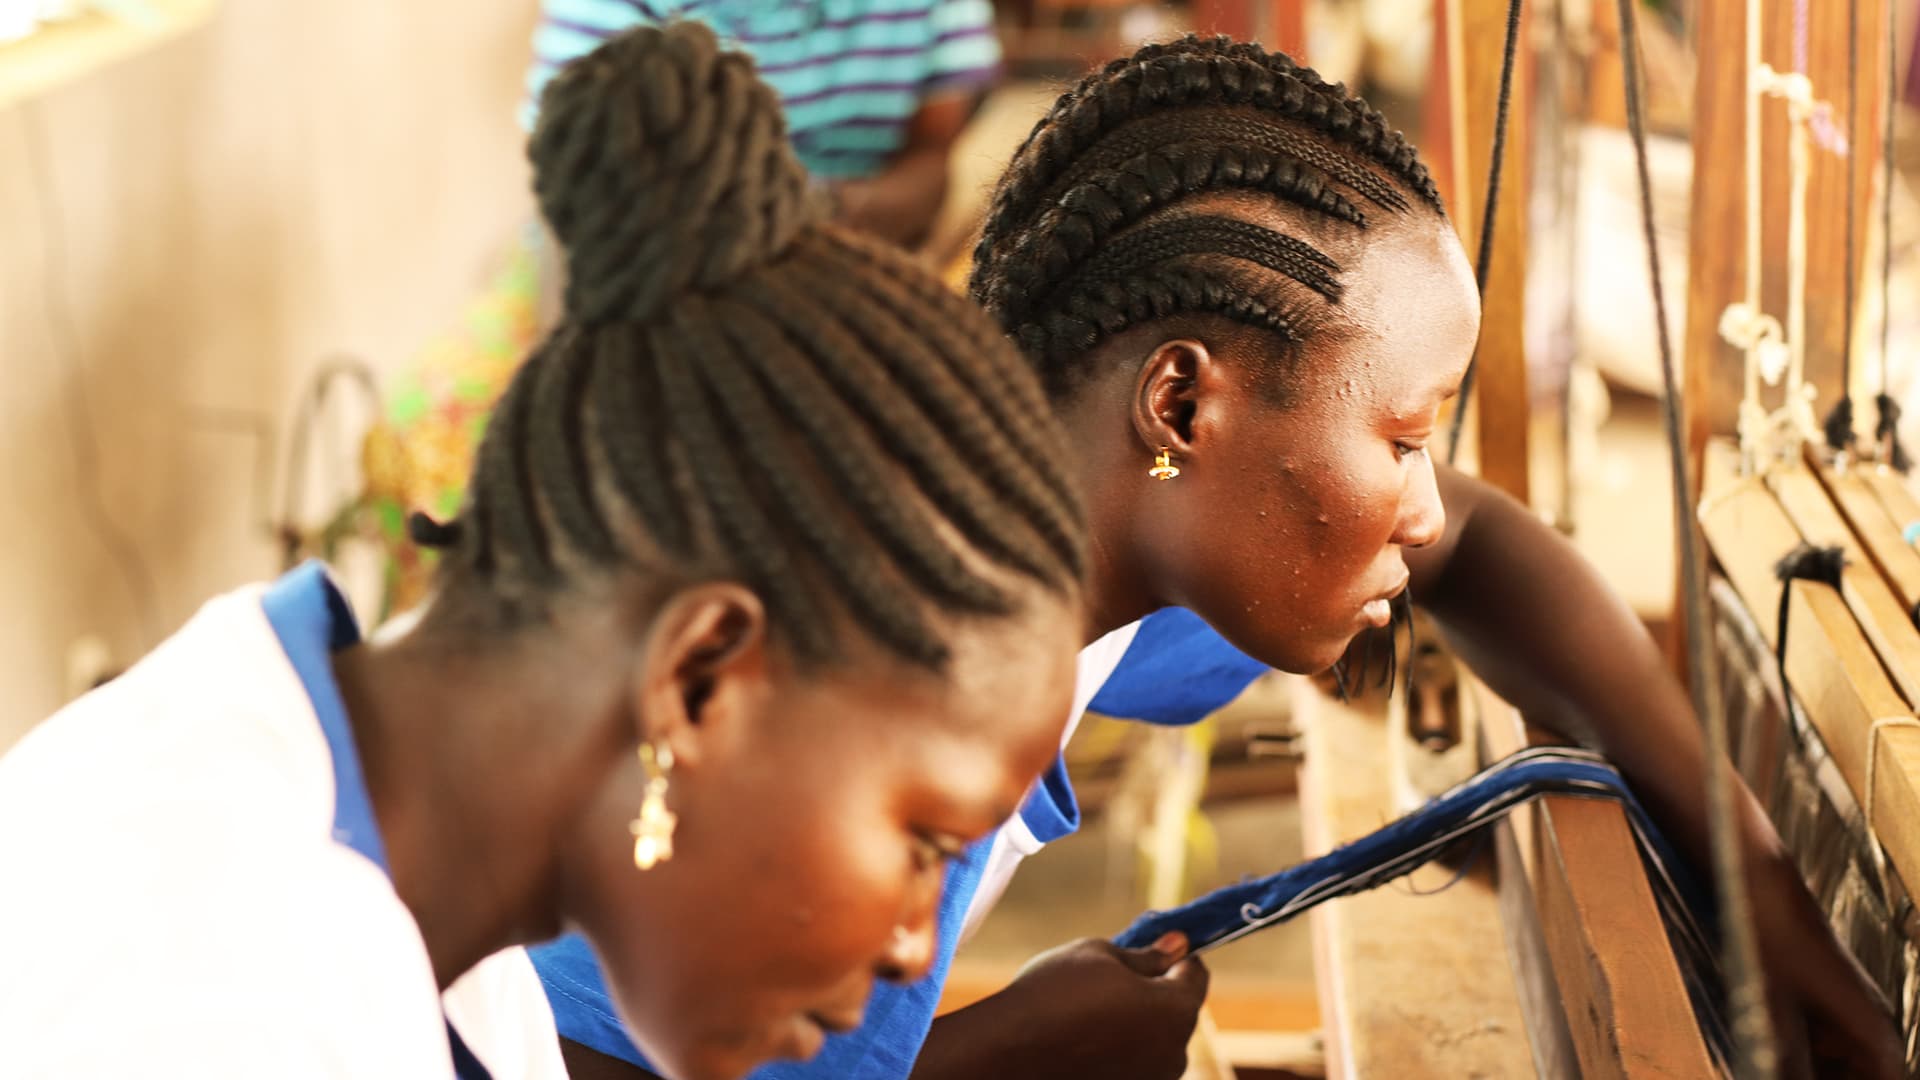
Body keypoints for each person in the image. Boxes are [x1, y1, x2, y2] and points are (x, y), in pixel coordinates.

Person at [539, 35, 1906, 1080]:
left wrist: (1756, 878)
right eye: (1405, 437)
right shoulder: (840, 683)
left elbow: (1479, 546)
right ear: (1184, 406)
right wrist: (987, 1055)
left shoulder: (1073, 548)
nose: (1425, 507)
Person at [0, 23, 1091, 1080]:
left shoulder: (442, 921)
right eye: (923, 845)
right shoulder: (208, 993)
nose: (914, 945)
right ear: (699, 676)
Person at [526, 0, 1003, 250]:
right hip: (654, 260)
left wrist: (815, 212)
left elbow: (931, 159)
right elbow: (580, 185)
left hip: (855, 247)